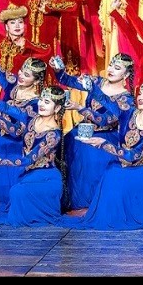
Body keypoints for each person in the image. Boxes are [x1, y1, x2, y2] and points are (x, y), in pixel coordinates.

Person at [70, 81, 143, 229]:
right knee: (112, 176)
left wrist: (104, 144)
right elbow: (105, 103)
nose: (140, 97)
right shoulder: (127, 112)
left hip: (141, 174)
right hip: (118, 169)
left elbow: (132, 156)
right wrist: (86, 94)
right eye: (140, 94)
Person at [51, 53, 135, 210]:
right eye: (110, 65)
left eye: (117, 68)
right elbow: (66, 80)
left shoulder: (126, 100)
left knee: (91, 162)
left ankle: (93, 205)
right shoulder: (96, 81)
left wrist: (79, 108)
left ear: (126, 74)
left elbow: (105, 120)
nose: (111, 70)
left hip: (104, 136)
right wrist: (58, 69)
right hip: (83, 130)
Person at [0, 86, 65, 226]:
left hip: (46, 177)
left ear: (57, 108)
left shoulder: (54, 135)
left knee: (17, 191)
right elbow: (10, 112)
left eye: (47, 102)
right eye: (41, 99)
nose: (41, 104)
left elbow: (28, 160)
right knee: (16, 192)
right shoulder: (31, 118)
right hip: (28, 174)